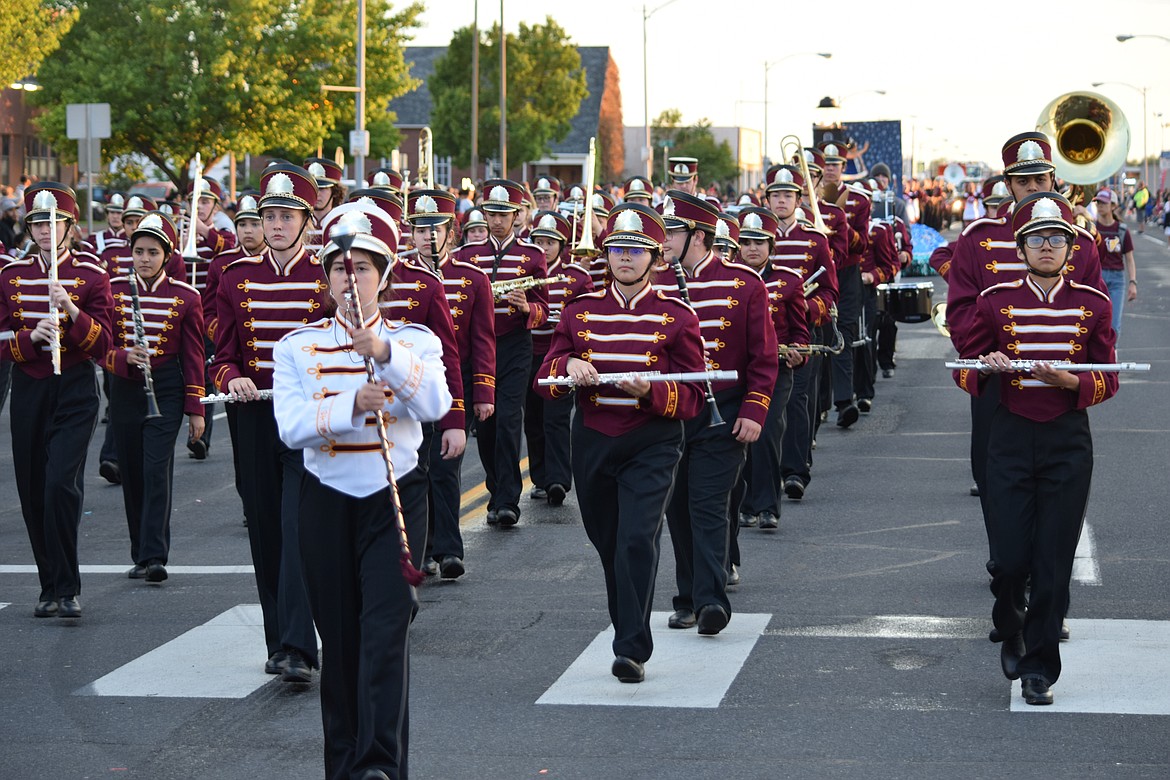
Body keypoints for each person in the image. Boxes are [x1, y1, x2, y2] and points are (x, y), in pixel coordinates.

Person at [274, 201, 451, 779]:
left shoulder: (414, 340)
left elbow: (435, 405)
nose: (351, 282)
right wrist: (351, 405)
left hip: (394, 499)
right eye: (339, 271)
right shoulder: (296, 347)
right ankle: (345, 765)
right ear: (324, 280)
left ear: (386, 275)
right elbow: (291, 427)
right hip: (325, 498)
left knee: (385, 632)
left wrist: (385, 357)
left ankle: (380, 765)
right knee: (343, 643)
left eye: (364, 270)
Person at [955, 190, 1117, 705]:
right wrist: (987, 367)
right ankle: (1010, 622)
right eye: (1036, 240)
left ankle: (1039, 668)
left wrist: (1072, 383)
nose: (1047, 247)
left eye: (1056, 239)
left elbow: (1108, 377)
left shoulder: (1094, 304)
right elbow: (963, 365)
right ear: (1021, 248)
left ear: (1070, 250)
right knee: (1007, 558)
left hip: (1067, 439)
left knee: (1053, 560)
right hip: (1009, 432)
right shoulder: (994, 301)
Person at [534, 202, 705, 682]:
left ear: (655, 258)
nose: (624, 258)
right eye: (616, 250)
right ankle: (628, 623)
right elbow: (546, 375)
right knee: (609, 542)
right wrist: (568, 366)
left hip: (652, 440)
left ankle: (630, 645)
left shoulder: (677, 317)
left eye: (635, 250)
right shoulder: (579, 311)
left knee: (635, 539)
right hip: (592, 438)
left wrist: (651, 390)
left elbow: (694, 396)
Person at [211, 163, 325, 683]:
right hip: (255, 417)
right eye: (269, 216)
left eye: (286, 217)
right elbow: (223, 353)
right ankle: (279, 640)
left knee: (297, 525)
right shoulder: (237, 278)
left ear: (306, 222)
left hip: (305, 420)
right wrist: (231, 375)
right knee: (264, 529)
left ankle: (300, 646)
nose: (276, 226)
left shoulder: (327, 277)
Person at [654, 190, 778, 634]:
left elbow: (765, 358)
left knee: (707, 505)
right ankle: (687, 595)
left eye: (672, 232)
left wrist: (755, 410)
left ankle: (710, 601)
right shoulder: (657, 284)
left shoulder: (745, 284)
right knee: (677, 509)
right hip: (668, 415)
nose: (663, 240)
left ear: (699, 236)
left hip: (723, 412)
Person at [0, 183, 113, 618]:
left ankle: (68, 586)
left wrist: (71, 310)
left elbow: (104, 341)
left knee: (59, 484)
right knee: (32, 489)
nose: (46, 231)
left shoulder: (93, 275)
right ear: (29, 228)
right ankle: (49, 584)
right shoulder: (11, 275)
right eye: (38, 224)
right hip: (30, 386)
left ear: (70, 227)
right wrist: (28, 339)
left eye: (55, 224)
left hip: (76, 387)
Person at [105, 212, 205, 583]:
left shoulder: (185, 296)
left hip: (165, 388)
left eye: (152, 252)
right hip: (125, 387)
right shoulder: (114, 290)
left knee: (155, 469)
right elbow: (102, 344)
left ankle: (155, 554)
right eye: (139, 251)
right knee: (131, 471)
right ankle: (139, 552)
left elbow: (193, 357)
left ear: (167, 255)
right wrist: (122, 358)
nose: (144, 259)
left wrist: (197, 411)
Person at [407, 189, 495, 579]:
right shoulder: (399, 277)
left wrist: (484, 393)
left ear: (452, 231)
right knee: (415, 469)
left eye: (436, 227)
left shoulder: (472, 277)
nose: (428, 236)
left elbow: (482, 340)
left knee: (445, 469)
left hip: (451, 386)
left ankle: (449, 550)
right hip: (409, 389)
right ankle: (422, 547)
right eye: (419, 228)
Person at [452, 179, 549, 527]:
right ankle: (495, 489)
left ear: (516, 216)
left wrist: (527, 308)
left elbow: (544, 309)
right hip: (479, 348)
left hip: (514, 345)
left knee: (509, 419)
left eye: (503, 215)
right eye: (491, 214)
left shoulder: (532, 256)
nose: (495, 221)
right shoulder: (466, 256)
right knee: (487, 424)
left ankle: (508, 499)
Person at [734, 204, 807, 532]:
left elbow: (801, 332)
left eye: (759, 242)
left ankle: (766, 506)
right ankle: (744, 503)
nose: (752, 248)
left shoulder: (789, 281)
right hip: (738, 372)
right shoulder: (729, 280)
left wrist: (798, 352)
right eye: (746, 242)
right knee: (738, 437)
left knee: (765, 434)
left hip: (776, 371)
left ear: (771, 246)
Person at [526, 210, 592, 504]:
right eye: (539, 240)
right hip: (528, 353)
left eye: (550, 242)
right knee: (532, 419)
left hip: (559, 357)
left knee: (556, 418)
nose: (544, 246)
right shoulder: (525, 273)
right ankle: (539, 476)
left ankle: (557, 480)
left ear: (562, 245)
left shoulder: (577, 277)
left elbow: (587, 317)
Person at [818, 140, 870, 428]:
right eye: (825, 165)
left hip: (847, 273)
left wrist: (841, 225)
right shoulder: (805, 200)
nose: (830, 170)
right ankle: (821, 402)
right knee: (820, 336)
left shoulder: (858, 201)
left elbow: (861, 244)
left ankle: (843, 402)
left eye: (835, 164)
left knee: (844, 335)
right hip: (817, 274)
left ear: (843, 167)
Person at [1092, 189, 1136, 336]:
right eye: (1098, 202)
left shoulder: (1122, 230)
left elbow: (1129, 259)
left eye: (1104, 202)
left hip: (1117, 280)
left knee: (1114, 325)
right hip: (1098, 278)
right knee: (1095, 322)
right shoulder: (1092, 228)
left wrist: (1132, 282)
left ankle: (1112, 355)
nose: (1100, 205)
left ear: (1113, 206)